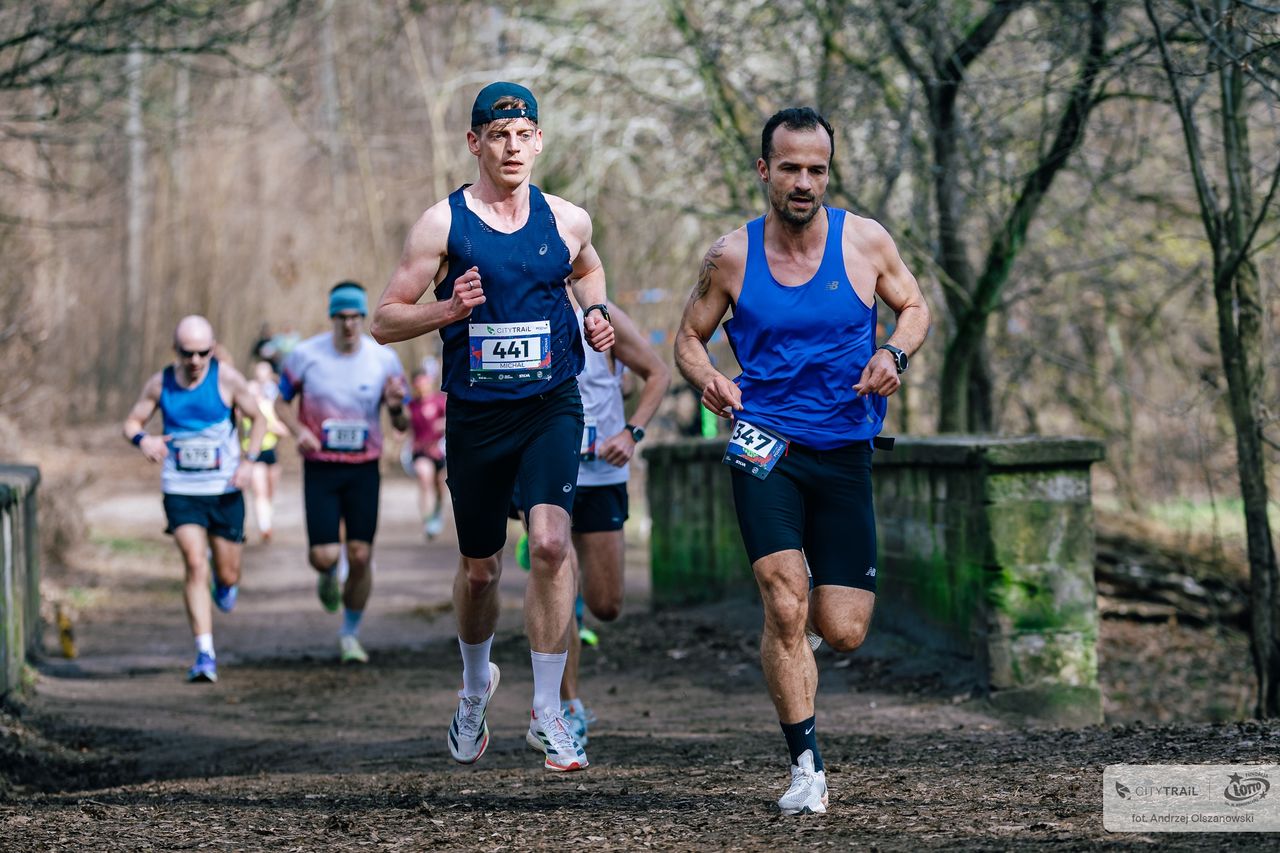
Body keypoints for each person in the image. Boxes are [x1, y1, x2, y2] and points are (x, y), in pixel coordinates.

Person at [674, 107, 930, 815]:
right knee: (784, 600)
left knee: (843, 629)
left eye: (817, 169)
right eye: (790, 167)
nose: (804, 182)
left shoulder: (865, 241)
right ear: (765, 170)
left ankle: (795, 629)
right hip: (764, 445)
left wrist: (894, 353)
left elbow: (914, 307)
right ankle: (806, 766)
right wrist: (708, 378)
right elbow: (688, 338)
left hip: (844, 448)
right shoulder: (731, 256)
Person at [370, 81, 614, 772]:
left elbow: (589, 268)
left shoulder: (567, 219)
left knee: (551, 543)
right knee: (480, 571)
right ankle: (476, 687)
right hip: (477, 416)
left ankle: (548, 710)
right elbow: (385, 319)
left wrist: (596, 311)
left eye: (523, 135)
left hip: (550, 406)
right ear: (475, 142)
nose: (512, 147)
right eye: (498, 136)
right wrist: (447, 310)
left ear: (538, 142)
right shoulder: (442, 225)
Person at [122, 315, 265, 683]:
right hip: (181, 490)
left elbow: (259, 419)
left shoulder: (228, 379)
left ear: (213, 349)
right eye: (188, 353)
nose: (196, 360)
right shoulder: (161, 384)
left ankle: (226, 582)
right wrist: (144, 440)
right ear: (176, 350)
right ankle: (205, 653)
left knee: (227, 573)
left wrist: (249, 462)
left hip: (225, 490)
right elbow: (131, 423)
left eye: (203, 352)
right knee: (194, 563)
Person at [273, 281, 409, 665]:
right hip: (321, 468)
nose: (349, 324)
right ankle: (327, 572)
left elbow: (401, 422)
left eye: (355, 317)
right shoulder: (304, 356)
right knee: (324, 555)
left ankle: (350, 632)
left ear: (363, 317)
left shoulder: (384, 360)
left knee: (361, 555)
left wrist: (396, 407)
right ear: (332, 317)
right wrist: (298, 431)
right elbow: (280, 403)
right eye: (342, 317)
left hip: (364, 468)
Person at [557, 298, 670, 743]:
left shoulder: (601, 315)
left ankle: (566, 588)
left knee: (606, 604)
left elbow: (658, 374)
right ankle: (566, 706)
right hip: (547, 467)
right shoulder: (520, 305)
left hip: (602, 472)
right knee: (558, 578)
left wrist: (631, 432)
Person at [243, 362, 289, 543]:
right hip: (254, 452)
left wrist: (268, 426)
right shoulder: (247, 400)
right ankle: (265, 527)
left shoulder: (273, 403)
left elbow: (284, 431)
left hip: (272, 452)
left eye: (265, 375)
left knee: (269, 492)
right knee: (260, 491)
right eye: (258, 374)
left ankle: (267, 519)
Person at [406, 359, 448, 539]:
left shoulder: (440, 401)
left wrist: (441, 424)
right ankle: (427, 521)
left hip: (440, 451)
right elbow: (403, 426)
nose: (421, 388)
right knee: (425, 478)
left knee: (439, 485)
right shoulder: (411, 405)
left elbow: (453, 420)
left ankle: (437, 512)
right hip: (420, 451)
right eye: (417, 385)